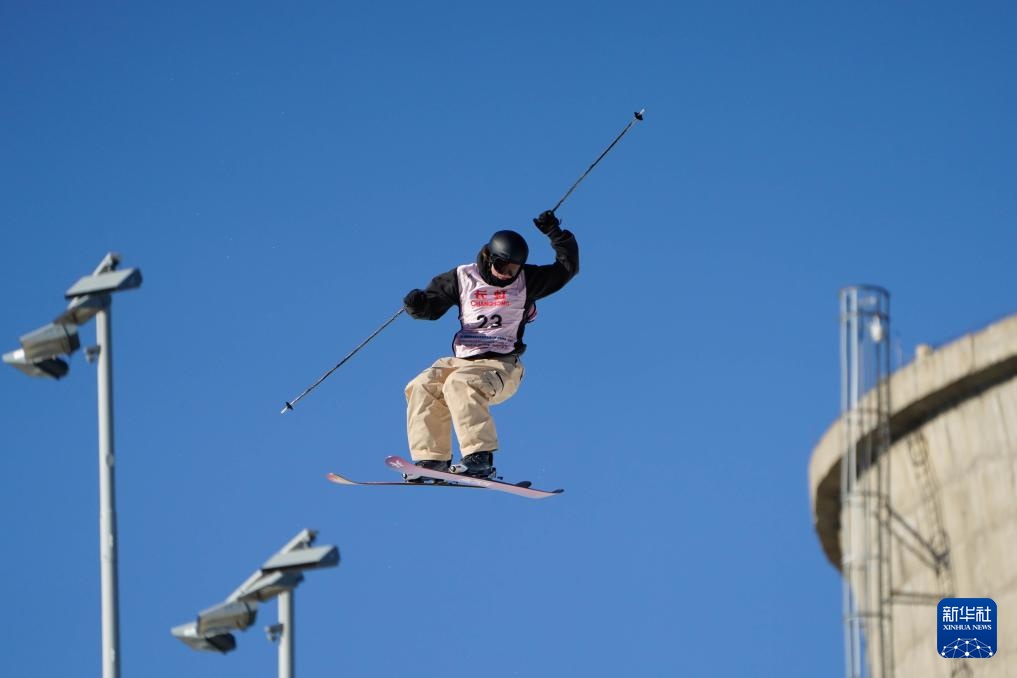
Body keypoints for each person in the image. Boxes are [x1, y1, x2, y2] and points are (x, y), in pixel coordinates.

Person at [401, 210, 580, 482]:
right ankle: (431, 459)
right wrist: (418, 306)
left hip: (501, 365)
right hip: (464, 360)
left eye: (513, 269)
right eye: (503, 267)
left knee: (459, 384)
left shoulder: (526, 281)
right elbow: (431, 307)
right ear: (489, 257)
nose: (507, 275)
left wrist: (555, 233)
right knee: (423, 384)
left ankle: (479, 457)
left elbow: (567, 269)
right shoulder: (462, 278)